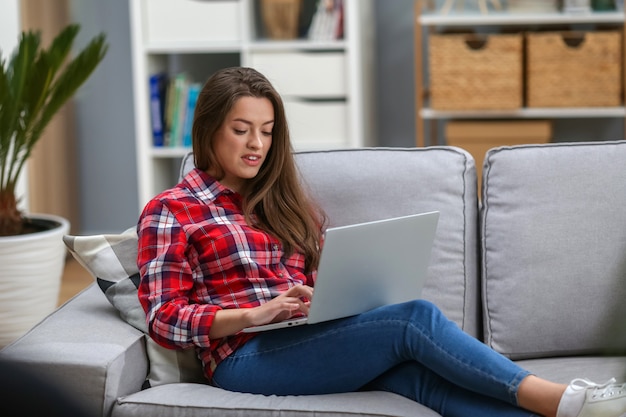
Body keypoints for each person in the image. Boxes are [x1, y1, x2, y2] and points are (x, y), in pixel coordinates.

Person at [137, 66, 626, 417]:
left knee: (418, 379)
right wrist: (255, 314)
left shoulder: (280, 203)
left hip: (302, 340)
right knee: (414, 318)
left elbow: (312, 288)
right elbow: (164, 317)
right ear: (209, 130)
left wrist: (318, 297)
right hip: (242, 357)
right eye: (241, 130)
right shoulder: (172, 209)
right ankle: (559, 399)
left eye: (266, 131)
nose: (256, 145)